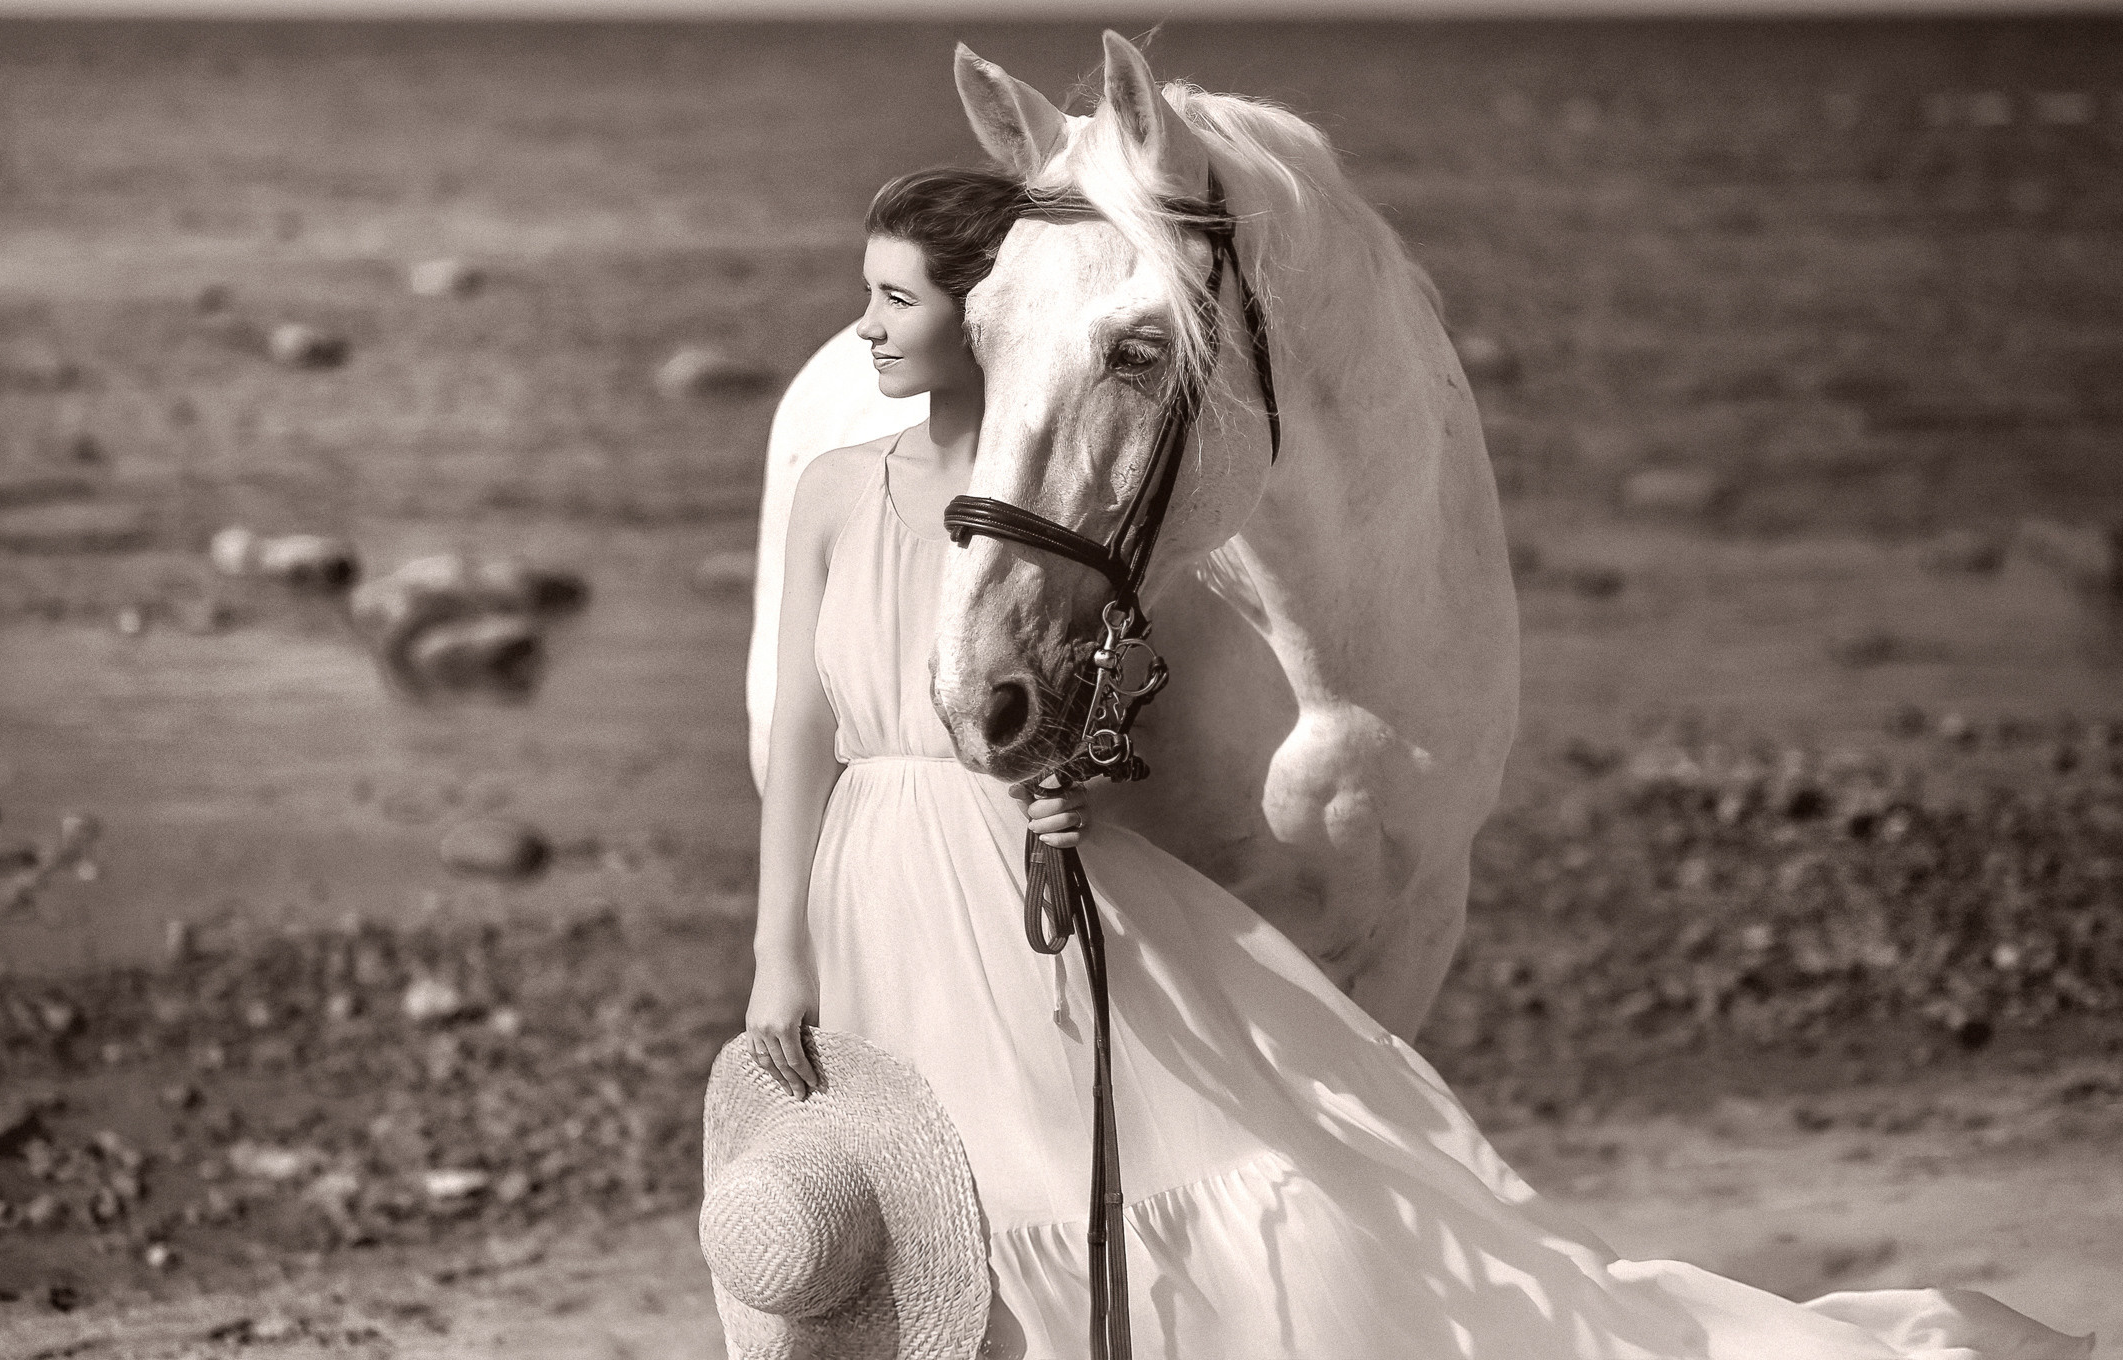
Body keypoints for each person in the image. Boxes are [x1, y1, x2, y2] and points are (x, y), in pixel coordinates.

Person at [739, 167, 2090, 1359]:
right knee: (921, 1211)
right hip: (875, 881)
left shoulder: (1057, 527)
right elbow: (802, 726)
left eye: (898, 302)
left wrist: (1060, 795)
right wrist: (776, 950)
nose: (866, 331)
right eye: (869, 296)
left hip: (998, 880)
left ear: (985, 322)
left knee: (1090, 1187)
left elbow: (1080, 699)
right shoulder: (834, 488)